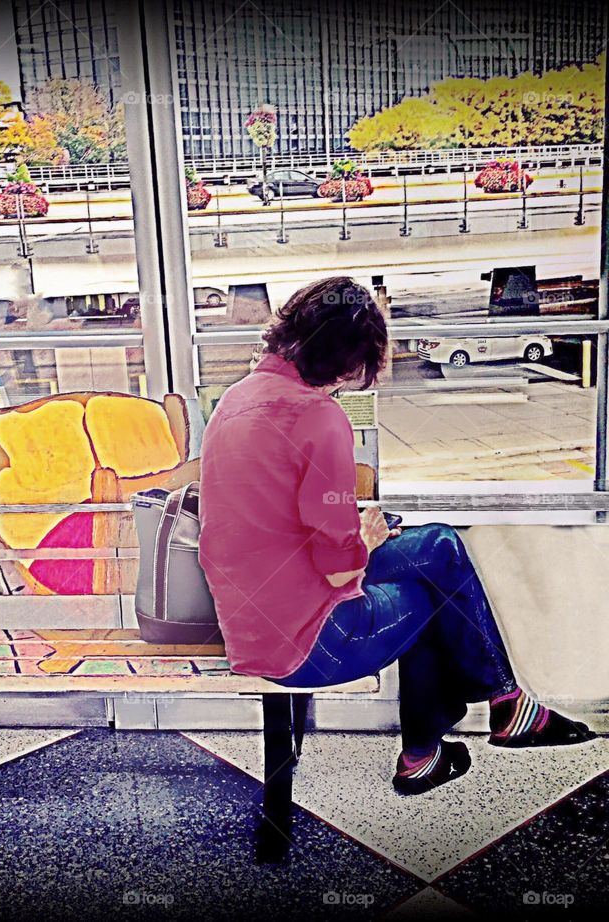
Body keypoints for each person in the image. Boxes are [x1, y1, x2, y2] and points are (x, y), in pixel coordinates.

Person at [198, 276, 595, 796]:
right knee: (435, 580)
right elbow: (340, 567)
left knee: (436, 551)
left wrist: (360, 539)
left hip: (251, 622)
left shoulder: (237, 398)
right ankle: (483, 718)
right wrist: (364, 536)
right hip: (309, 643)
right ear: (345, 358)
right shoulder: (318, 417)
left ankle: (465, 733)